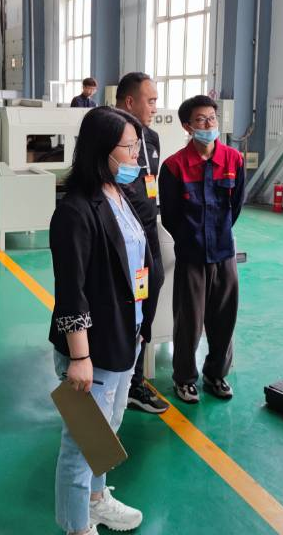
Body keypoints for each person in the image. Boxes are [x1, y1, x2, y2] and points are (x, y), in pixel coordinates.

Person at [49, 106, 151, 535]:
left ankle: (95, 501)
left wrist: (141, 328)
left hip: (125, 336)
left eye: (136, 146)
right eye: (128, 147)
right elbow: (71, 290)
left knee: (107, 431)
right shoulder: (75, 210)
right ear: (101, 150)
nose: (136, 156)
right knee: (82, 445)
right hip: (92, 348)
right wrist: (80, 357)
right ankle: (77, 527)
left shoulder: (121, 195)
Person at [159, 95, 244, 404]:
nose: (208, 125)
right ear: (187, 126)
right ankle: (184, 379)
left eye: (212, 118)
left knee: (224, 320)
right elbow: (170, 216)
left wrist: (218, 235)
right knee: (189, 323)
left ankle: (216, 375)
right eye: (200, 120)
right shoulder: (174, 166)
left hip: (224, 253)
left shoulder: (233, 160)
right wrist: (191, 240)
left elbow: (236, 206)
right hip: (192, 256)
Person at [114, 73, 169, 415]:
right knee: (122, 305)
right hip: (122, 239)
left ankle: (133, 379)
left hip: (148, 236)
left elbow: (152, 184)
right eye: (150, 101)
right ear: (130, 102)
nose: (155, 107)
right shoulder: (109, 137)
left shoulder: (151, 138)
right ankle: (118, 376)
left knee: (146, 301)